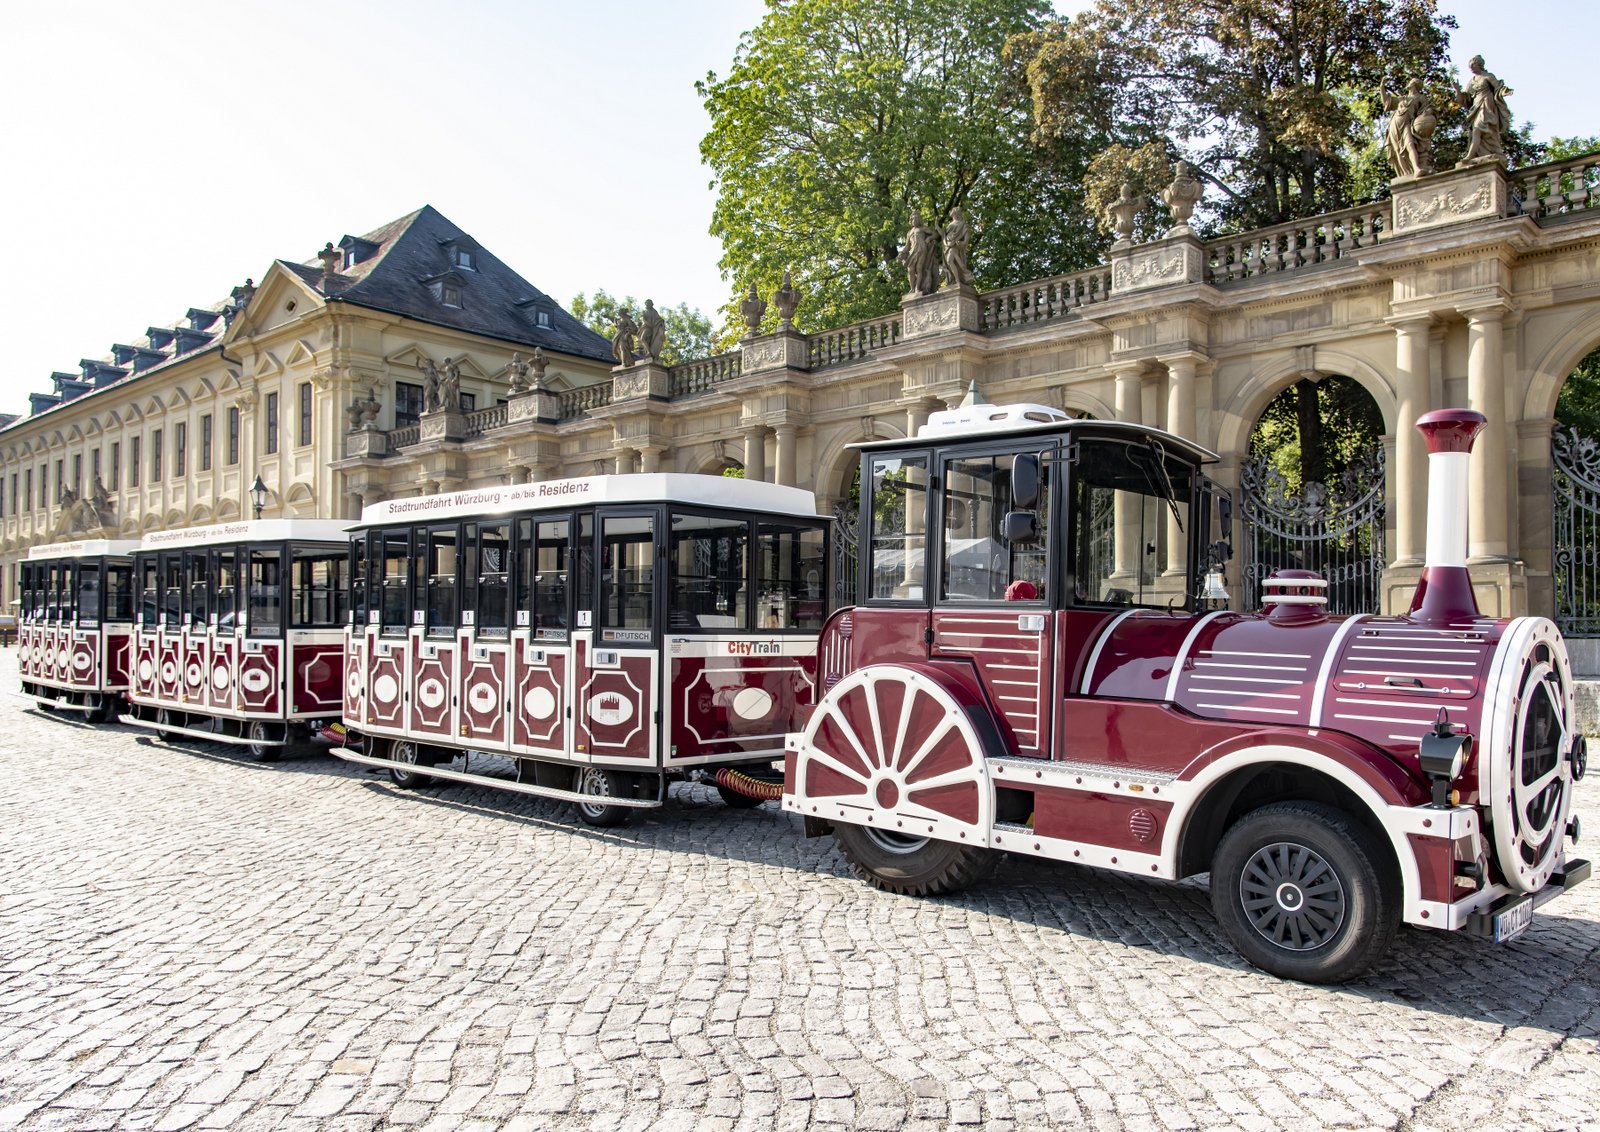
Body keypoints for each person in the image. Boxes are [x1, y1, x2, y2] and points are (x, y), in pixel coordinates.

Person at [1458, 55, 1512, 163]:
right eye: (1470, 66)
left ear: (1479, 65)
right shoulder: (1471, 82)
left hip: (1486, 105)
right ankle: (1477, 154)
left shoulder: (1488, 76)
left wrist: (1504, 91)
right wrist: (1457, 90)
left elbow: (1498, 88)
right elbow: (1465, 99)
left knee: (1479, 129)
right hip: (1475, 108)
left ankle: (1470, 156)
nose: (1471, 68)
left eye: (1473, 65)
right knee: (1477, 131)